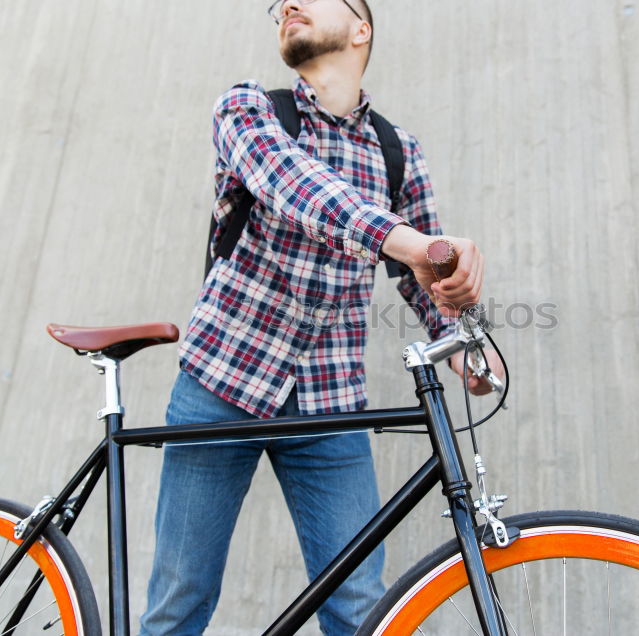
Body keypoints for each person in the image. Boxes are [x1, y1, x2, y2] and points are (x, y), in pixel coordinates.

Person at [140, 0, 502, 633]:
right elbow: (293, 185)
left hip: (331, 406)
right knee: (181, 601)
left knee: (362, 606)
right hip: (221, 386)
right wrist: (412, 244)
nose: (289, 5)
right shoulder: (249, 109)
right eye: (279, 4)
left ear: (361, 28)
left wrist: (467, 336)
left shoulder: (397, 151)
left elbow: (422, 278)